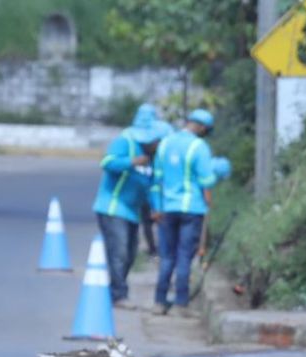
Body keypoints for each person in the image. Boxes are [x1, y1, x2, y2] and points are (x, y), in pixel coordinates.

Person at [149, 108, 229, 316]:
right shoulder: (199, 146)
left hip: (166, 208)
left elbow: (156, 179)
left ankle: (159, 302)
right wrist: (217, 170)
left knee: (167, 257)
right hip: (191, 209)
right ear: (201, 127)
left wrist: (156, 206)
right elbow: (206, 180)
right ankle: (180, 304)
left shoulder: (165, 143)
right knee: (184, 257)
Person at [92, 105, 169, 309]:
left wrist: (156, 208)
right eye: (159, 142)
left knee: (131, 253)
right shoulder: (126, 141)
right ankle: (119, 295)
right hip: (112, 206)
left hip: (132, 211)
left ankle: (115, 290)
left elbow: (153, 185)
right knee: (119, 252)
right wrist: (132, 162)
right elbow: (107, 163)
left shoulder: (154, 159)